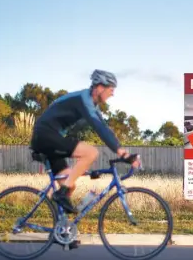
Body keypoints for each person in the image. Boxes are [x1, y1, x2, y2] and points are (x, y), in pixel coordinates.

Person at [29, 69, 141, 214]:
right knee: (91, 152)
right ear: (100, 87)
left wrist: (122, 151)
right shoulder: (83, 99)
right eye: (111, 89)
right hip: (46, 135)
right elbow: (98, 127)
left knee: (69, 185)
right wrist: (121, 153)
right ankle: (60, 194)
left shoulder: (91, 105)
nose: (112, 93)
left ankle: (61, 229)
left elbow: (105, 128)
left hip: (51, 138)